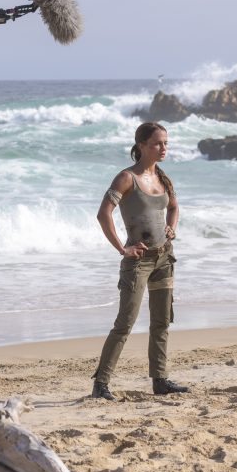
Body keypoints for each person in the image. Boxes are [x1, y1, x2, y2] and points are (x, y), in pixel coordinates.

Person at [90, 121, 186, 399]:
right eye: (157, 143)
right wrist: (122, 249)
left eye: (166, 143)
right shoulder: (126, 178)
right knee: (125, 323)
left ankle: (160, 380)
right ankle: (101, 384)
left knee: (161, 322)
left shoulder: (164, 178)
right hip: (139, 262)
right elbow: (103, 213)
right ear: (141, 145)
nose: (163, 147)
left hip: (164, 258)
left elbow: (175, 207)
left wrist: (172, 227)